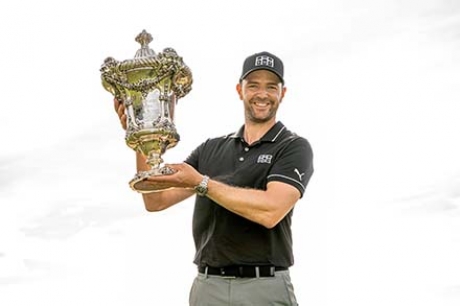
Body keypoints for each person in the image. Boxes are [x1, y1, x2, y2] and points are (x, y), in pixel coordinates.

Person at [114, 51, 314, 305]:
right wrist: (141, 133)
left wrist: (202, 183)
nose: (262, 94)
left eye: (271, 87)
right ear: (240, 90)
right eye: (253, 85)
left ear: (282, 94)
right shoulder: (210, 149)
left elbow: (271, 210)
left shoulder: (293, 147)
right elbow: (156, 200)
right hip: (208, 288)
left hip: (264, 288)